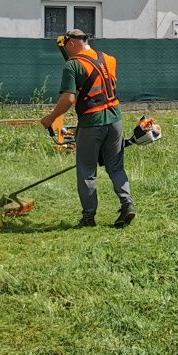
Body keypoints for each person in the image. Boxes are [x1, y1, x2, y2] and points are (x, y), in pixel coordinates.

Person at [41, 28, 135, 229]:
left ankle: (89, 217)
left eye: (66, 46)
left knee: (86, 170)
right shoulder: (109, 59)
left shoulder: (73, 65)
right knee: (116, 166)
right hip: (115, 119)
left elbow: (69, 99)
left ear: (73, 43)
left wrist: (50, 118)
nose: (66, 51)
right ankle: (127, 204)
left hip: (92, 122)